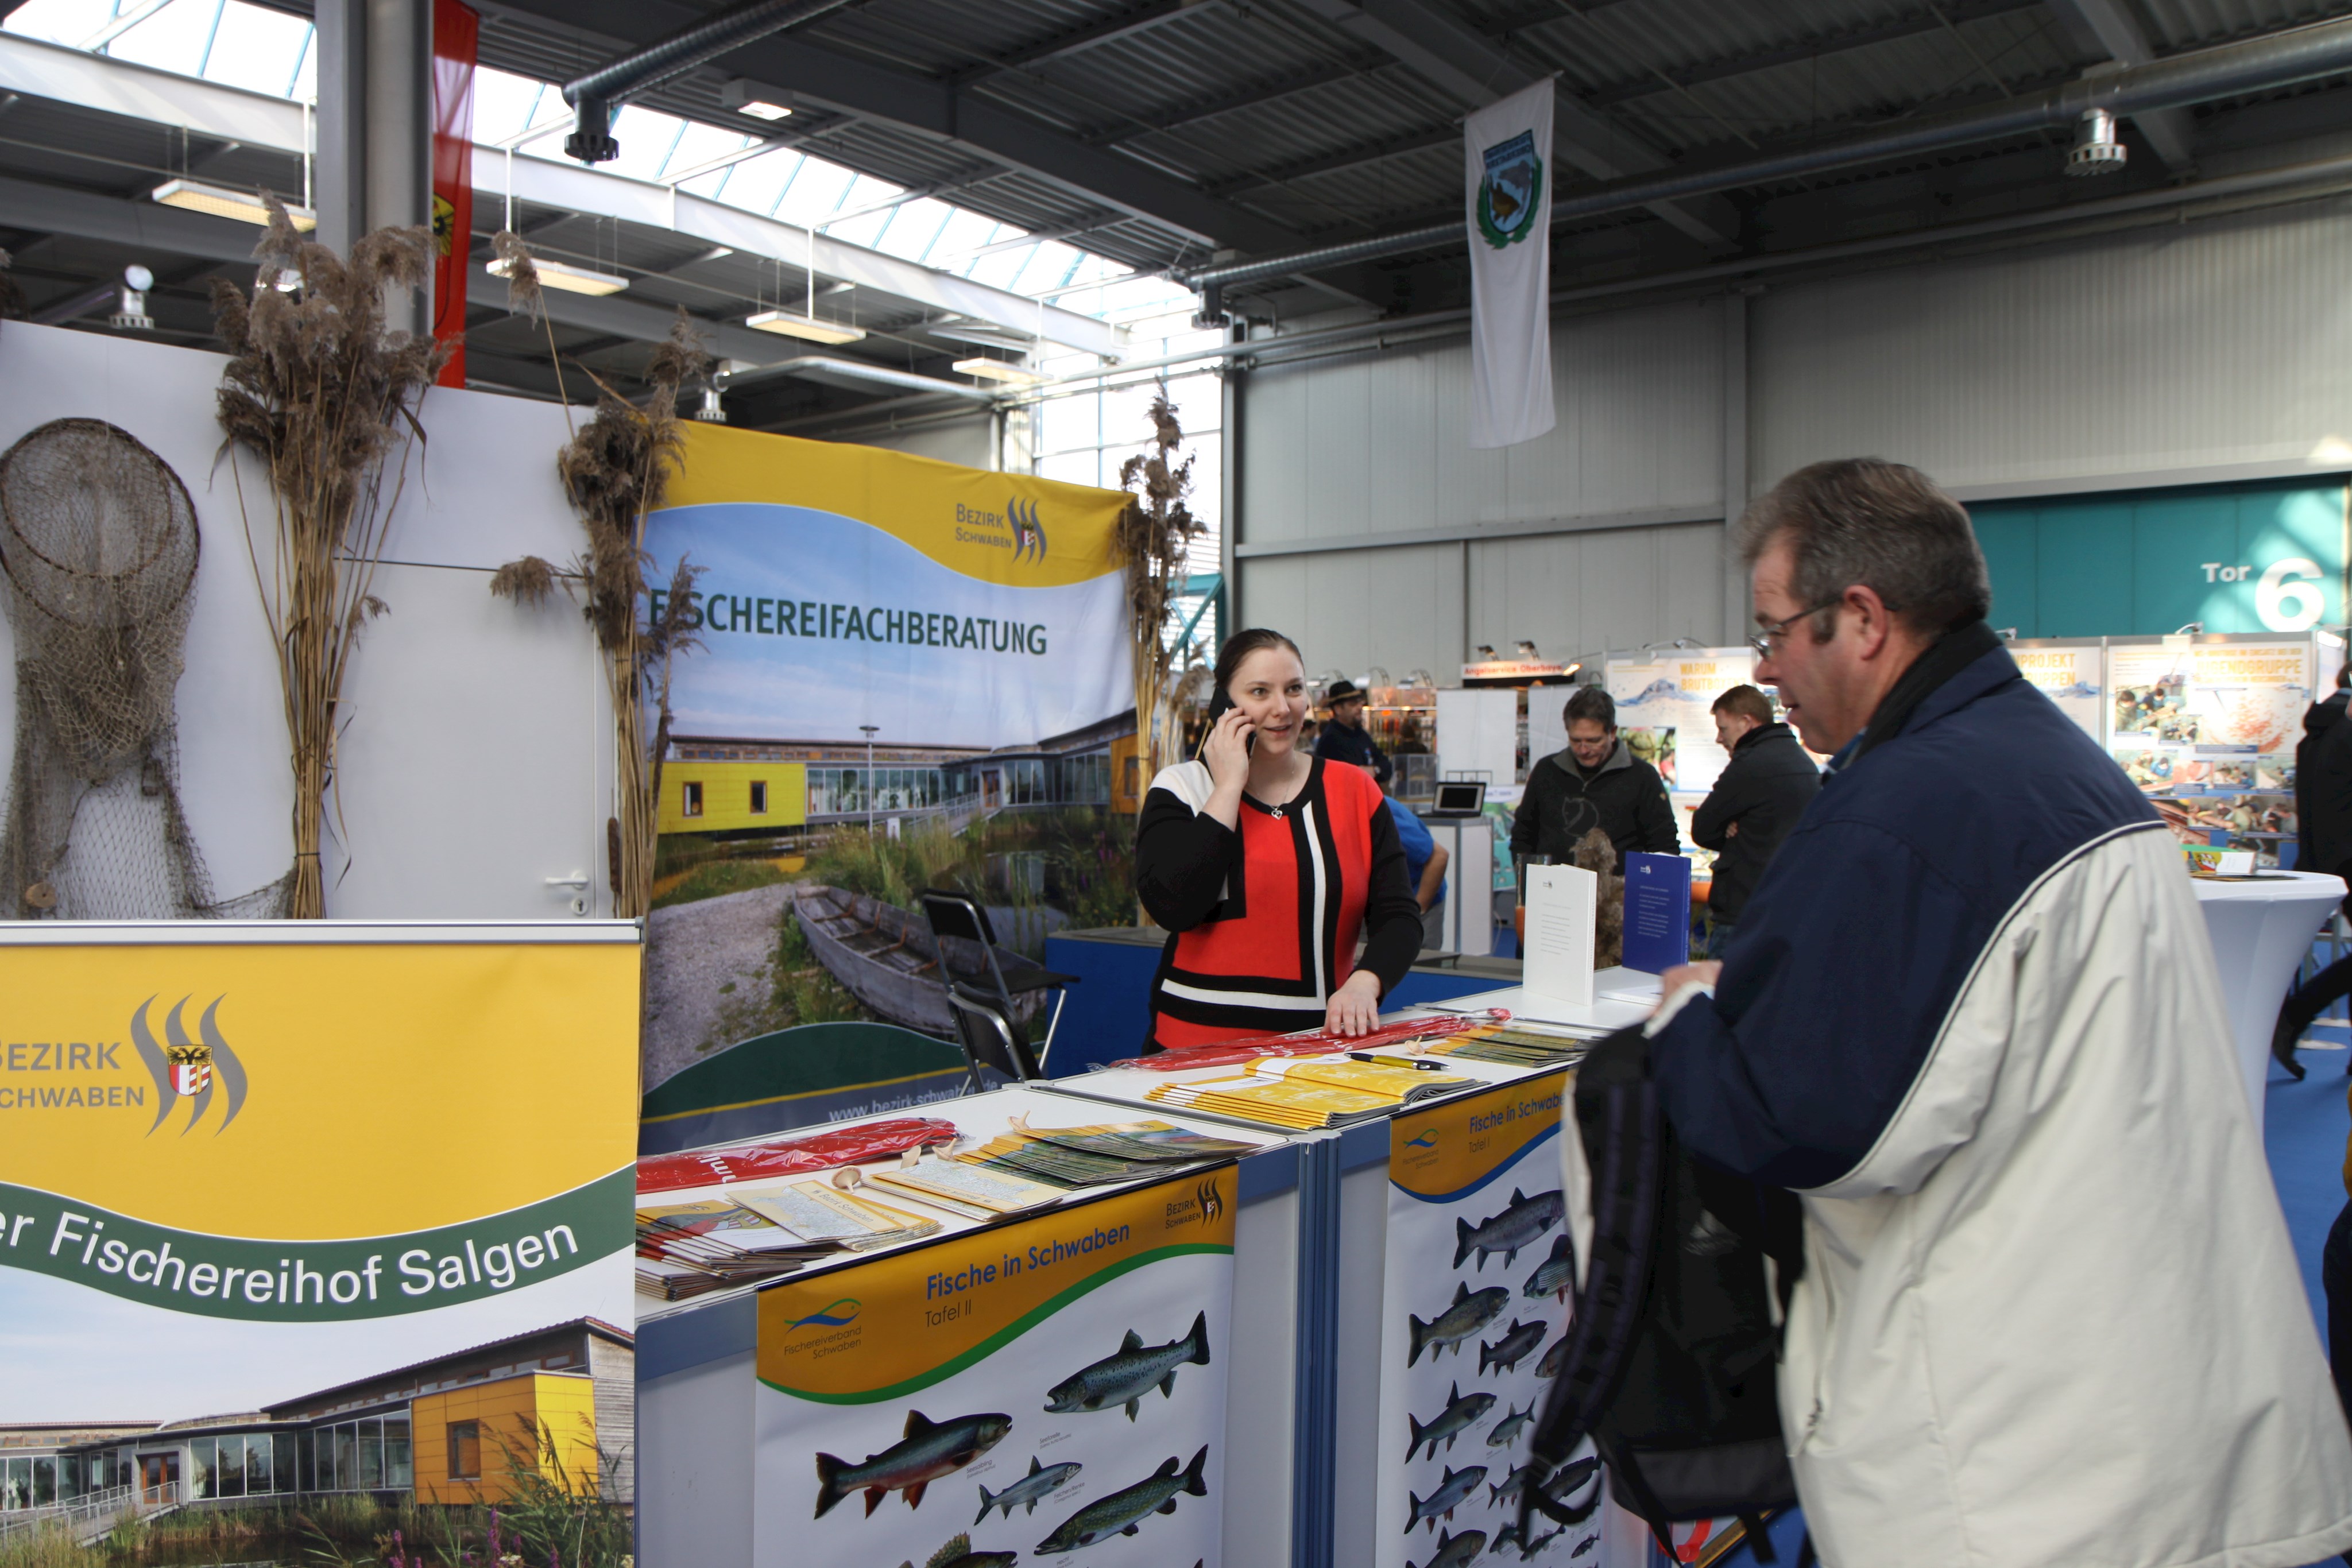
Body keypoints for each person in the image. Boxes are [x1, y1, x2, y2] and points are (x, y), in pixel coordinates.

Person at [1641, 459, 2352, 1566]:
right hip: (2141, 1402)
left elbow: (1806, 1123)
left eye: (1775, 631)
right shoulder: (2056, 770)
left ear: (1862, 619)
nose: (1766, 666)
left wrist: (1688, 1021)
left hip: (2019, 1460)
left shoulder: (1908, 813)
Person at [1134, 629, 1424, 1051]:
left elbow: (1399, 915)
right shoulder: (1182, 786)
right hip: (1190, 1054)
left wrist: (1367, 982)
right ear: (1225, 704)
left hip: (1318, 1051)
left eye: (1293, 689)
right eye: (1259, 691)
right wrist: (1229, 786)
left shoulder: (1355, 791)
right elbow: (1173, 906)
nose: (1281, 707)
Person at [1688, 683, 1818, 942]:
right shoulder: (1801, 761)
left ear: (1746, 722)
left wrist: (1730, 833)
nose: (1718, 738)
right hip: (1788, 907)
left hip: (1743, 915)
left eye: (1723, 729)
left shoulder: (1750, 765)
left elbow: (1702, 828)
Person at [2275, 664, 2352, 1078]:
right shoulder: (2344, 730)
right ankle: (2293, 1015)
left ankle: (2292, 1017)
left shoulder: (2319, 730)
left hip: (2326, 859)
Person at [1510, 686, 1678, 873]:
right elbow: (1523, 836)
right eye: (1575, 740)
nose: (1583, 749)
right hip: (1553, 893)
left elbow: (1664, 845)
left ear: (1612, 733)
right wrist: (1527, 885)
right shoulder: (1546, 771)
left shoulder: (1643, 776)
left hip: (1617, 896)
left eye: (1593, 741)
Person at [1385, 784, 1449, 949]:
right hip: (1382, 901)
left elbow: (1438, 857)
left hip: (1417, 893)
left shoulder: (1379, 815)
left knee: (1421, 964)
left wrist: (1417, 911)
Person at [1313, 677, 1391, 787]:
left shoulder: (1361, 734)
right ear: (1338, 709)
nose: (1360, 707)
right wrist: (1371, 771)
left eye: (1360, 702)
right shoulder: (1331, 740)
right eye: (1353, 704)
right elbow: (1350, 778)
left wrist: (1375, 770)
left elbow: (1387, 766)